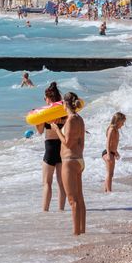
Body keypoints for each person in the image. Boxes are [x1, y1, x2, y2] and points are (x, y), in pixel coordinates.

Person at [57, 91, 86, 236]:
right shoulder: (80, 119)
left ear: (64, 103)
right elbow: (81, 143)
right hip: (79, 160)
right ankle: (82, 231)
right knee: (79, 198)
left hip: (69, 161)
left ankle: (76, 235)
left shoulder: (69, 120)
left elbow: (67, 143)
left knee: (72, 200)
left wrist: (57, 129)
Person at [40, 83, 67, 212]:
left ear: (48, 98)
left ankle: (45, 211)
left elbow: (40, 131)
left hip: (50, 148)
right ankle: (61, 210)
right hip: (62, 148)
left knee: (47, 183)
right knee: (61, 183)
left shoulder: (45, 114)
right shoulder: (64, 112)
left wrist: (38, 120)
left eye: (44, 98)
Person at [102, 112, 125, 192]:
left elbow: (113, 143)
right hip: (107, 152)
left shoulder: (116, 130)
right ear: (118, 121)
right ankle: (109, 192)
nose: (123, 124)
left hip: (112, 152)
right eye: (122, 122)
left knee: (110, 174)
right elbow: (108, 142)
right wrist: (108, 154)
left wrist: (116, 152)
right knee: (109, 173)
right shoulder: (111, 129)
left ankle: (106, 191)